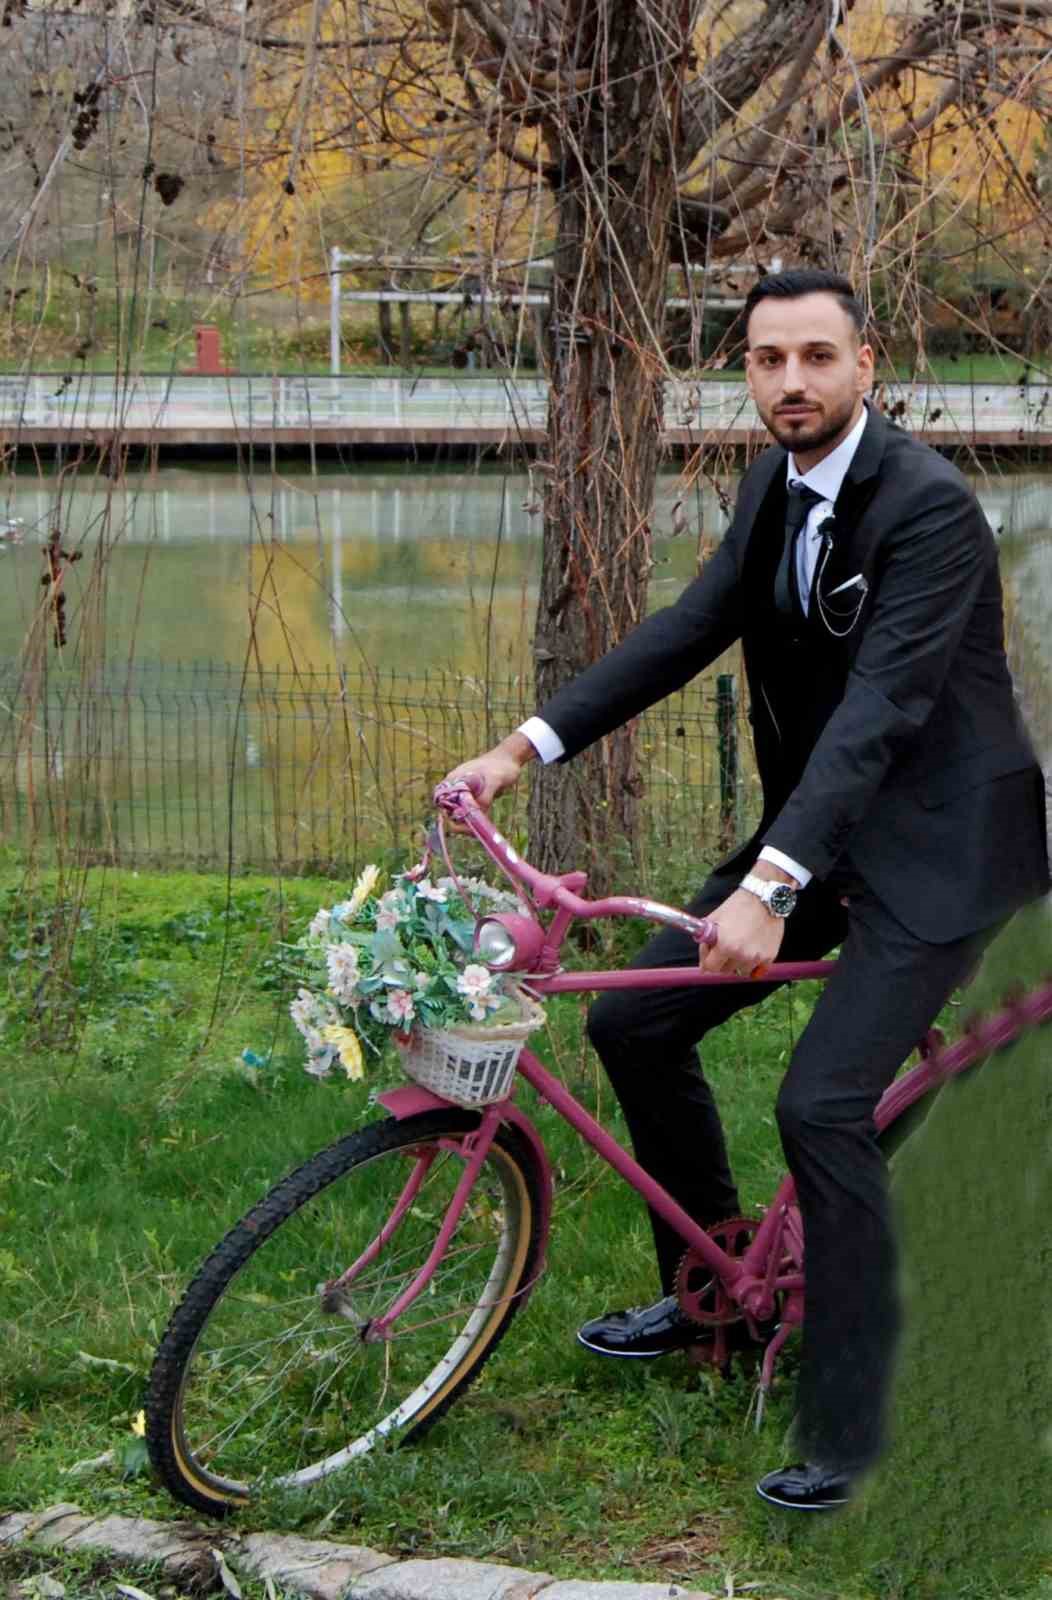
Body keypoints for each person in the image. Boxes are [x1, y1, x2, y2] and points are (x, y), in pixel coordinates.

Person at [441, 269, 1049, 1511]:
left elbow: (879, 712)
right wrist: (521, 747)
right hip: (820, 834)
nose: (790, 381)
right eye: (767, 359)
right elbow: (687, 627)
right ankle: (708, 1289)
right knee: (633, 1022)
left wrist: (770, 885)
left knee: (820, 1103)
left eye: (815, 356)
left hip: (938, 846)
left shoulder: (929, 511)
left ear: (866, 364)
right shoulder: (772, 483)